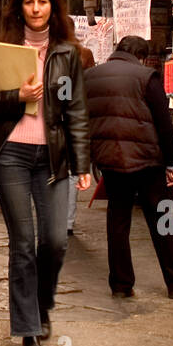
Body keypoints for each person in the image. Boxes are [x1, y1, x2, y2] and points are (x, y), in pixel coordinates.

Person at [0, 0, 91, 346]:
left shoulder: (67, 54)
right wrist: (17, 97)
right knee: (23, 243)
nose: (36, 9)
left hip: (53, 158)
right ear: (19, 8)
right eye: (29, 3)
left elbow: (75, 111)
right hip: (11, 154)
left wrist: (83, 162)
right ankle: (28, 329)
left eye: (42, 2)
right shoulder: (1, 50)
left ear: (52, 7)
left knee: (54, 242)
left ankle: (41, 307)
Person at [87, 36, 173, 300]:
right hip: (147, 160)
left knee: (117, 220)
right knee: (161, 219)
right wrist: (171, 162)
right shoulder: (146, 76)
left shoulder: (91, 76)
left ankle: (121, 284)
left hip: (111, 159)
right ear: (141, 56)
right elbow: (163, 122)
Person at [67, 45, 97, 235]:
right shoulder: (84, 53)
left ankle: (55, 218)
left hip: (53, 118)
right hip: (76, 115)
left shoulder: (46, 52)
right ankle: (67, 221)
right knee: (71, 173)